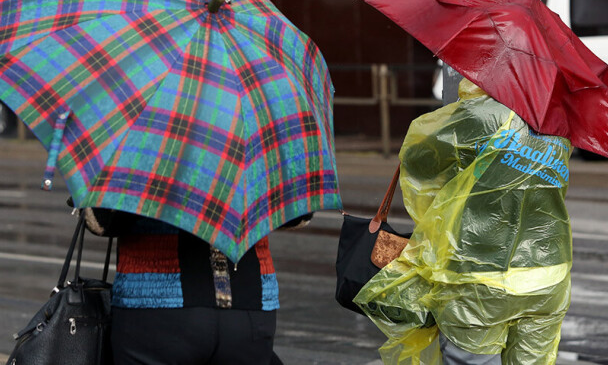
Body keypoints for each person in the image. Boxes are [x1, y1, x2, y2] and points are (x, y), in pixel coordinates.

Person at [354, 78, 573, 365]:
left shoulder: (480, 115)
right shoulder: (558, 126)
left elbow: (418, 157)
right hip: (548, 274)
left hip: (477, 275)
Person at [75, 198, 311, 365]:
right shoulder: (257, 131)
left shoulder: (144, 134)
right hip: (248, 302)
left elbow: (101, 221)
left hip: (158, 306)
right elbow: (299, 213)